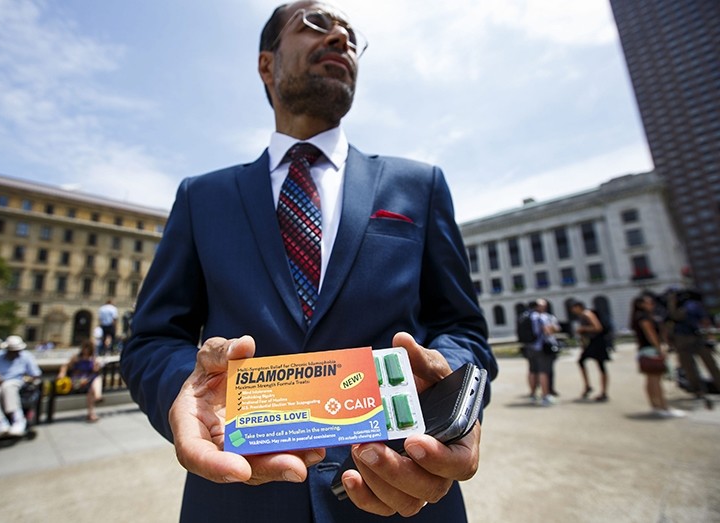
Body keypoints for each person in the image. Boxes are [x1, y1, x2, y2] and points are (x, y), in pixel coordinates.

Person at [120, 2, 498, 521]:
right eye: (315, 24)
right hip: (238, 498)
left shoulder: (420, 185)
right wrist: (184, 394)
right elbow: (151, 340)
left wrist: (452, 401)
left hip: (401, 492)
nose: (340, 37)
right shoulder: (201, 197)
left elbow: (462, 329)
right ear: (267, 65)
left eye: (350, 34)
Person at [0, 335, 41, 437]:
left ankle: (18, 420)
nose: (15, 353)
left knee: (8, 386)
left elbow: (35, 374)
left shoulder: (26, 356)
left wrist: (27, 379)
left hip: (14, 383)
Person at [630, 294, 685, 418]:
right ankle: (663, 406)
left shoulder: (638, 317)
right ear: (641, 305)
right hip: (651, 350)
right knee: (656, 379)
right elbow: (650, 334)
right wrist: (659, 349)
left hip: (644, 350)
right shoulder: (644, 317)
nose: (652, 305)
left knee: (651, 379)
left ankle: (655, 406)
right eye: (649, 302)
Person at [667, 289, 720, 410]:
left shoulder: (674, 308)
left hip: (683, 339)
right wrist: (709, 335)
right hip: (696, 337)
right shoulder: (694, 305)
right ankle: (714, 386)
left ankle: (698, 391)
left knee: (690, 367)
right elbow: (705, 320)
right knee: (710, 364)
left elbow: (669, 325)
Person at [570, 301, 610, 402]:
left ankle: (603, 391)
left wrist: (583, 328)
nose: (572, 310)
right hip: (591, 343)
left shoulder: (587, 314)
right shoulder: (582, 316)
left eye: (574, 308)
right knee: (582, 362)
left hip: (597, 342)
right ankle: (588, 386)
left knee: (601, 366)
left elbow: (597, 327)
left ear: (579, 307)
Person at [57, 339, 103, 422]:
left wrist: (96, 367)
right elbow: (65, 366)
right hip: (77, 381)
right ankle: (97, 398)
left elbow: (95, 371)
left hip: (88, 381)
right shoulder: (77, 357)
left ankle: (92, 412)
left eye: (88, 348)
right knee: (93, 385)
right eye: (85, 348)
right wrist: (62, 373)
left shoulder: (93, 358)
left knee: (94, 384)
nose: (86, 350)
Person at [525, 300, 557, 406]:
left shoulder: (526, 316)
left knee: (532, 370)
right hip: (541, 347)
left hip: (530, 347)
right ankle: (545, 395)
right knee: (543, 371)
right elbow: (548, 331)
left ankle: (533, 394)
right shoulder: (541, 317)